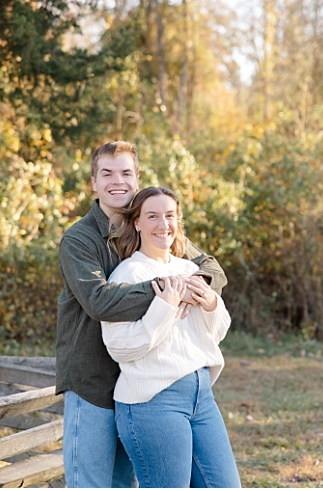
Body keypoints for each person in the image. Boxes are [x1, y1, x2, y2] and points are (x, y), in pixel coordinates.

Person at [56, 141, 227, 488]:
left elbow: (210, 268)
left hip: (140, 378)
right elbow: (99, 302)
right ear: (93, 182)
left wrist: (197, 289)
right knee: (91, 482)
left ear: (136, 180)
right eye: (107, 173)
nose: (117, 181)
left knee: (124, 484)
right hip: (94, 379)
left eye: (126, 173)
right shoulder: (79, 239)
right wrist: (167, 289)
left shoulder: (150, 223)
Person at [102, 186, 241, 488]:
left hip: (201, 397)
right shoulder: (127, 275)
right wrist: (164, 307)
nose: (163, 225)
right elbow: (120, 347)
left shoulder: (189, 269)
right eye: (152, 216)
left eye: (170, 216)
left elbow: (214, 334)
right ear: (137, 222)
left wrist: (211, 303)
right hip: (152, 402)